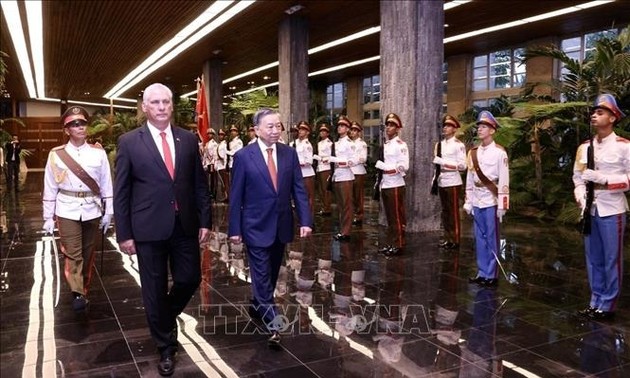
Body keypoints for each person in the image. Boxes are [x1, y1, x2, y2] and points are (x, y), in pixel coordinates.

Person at [113, 83, 211, 376]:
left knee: (190, 278)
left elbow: (199, 184)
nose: (160, 107)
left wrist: (205, 220)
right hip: (147, 228)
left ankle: (163, 317)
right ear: (144, 107)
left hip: (184, 226)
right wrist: (124, 233)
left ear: (172, 105)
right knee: (153, 289)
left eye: (165, 102)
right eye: (154, 102)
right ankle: (166, 347)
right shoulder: (129, 141)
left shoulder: (187, 139)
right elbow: (122, 192)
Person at [228, 107, 312, 347]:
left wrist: (306, 220)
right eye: (270, 126)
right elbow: (236, 197)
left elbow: (299, 189)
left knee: (273, 272)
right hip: (254, 226)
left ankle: (258, 303)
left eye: (278, 126)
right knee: (261, 273)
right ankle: (274, 323)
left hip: (282, 224)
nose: (276, 131)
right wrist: (234, 229)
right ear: (256, 130)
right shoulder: (244, 156)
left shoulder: (289, 154)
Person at [42, 105, 113, 311]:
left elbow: (106, 182)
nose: (79, 127)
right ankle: (77, 293)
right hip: (67, 209)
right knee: (73, 253)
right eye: (74, 124)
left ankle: (83, 287)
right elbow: (50, 185)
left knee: (87, 252)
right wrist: (48, 217)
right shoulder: (56, 155)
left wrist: (109, 211)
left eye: (82, 123)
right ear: (67, 130)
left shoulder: (97, 154)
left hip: (92, 208)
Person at [573, 94, 628, 321]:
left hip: (612, 207)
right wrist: (580, 195)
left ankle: (608, 304)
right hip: (590, 208)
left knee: (611, 259)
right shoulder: (584, 147)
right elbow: (577, 176)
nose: (594, 116)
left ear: (613, 118)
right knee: (592, 258)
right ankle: (595, 300)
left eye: (600, 112)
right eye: (593, 113)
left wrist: (604, 179)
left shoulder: (624, 147)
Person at [464, 110, 509, 288]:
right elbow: (469, 178)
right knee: (479, 238)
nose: (480, 130)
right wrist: (468, 200)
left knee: (491, 237)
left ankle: (491, 274)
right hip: (477, 199)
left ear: (492, 130)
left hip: (491, 200)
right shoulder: (473, 153)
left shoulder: (500, 153)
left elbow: (504, 179)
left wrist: (502, 204)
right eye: (479, 127)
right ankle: (482, 272)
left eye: (484, 127)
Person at [375, 113, 409, 256]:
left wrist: (386, 167)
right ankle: (391, 243)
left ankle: (399, 244)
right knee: (389, 217)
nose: (388, 128)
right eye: (387, 125)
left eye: (391, 125)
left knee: (396, 216)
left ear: (397, 129)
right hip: (386, 183)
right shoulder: (386, 145)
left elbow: (404, 166)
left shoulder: (401, 145)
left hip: (395, 183)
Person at [433, 115, 467, 249]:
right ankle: (448, 238)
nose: (445, 128)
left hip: (453, 180)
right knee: (445, 211)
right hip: (442, 180)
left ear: (454, 129)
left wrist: (444, 162)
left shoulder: (459, 145)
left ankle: (456, 239)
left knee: (453, 212)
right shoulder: (439, 145)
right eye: (444, 126)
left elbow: (463, 166)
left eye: (448, 126)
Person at [331, 115, 356, 241]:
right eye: (339, 125)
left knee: (347, 205)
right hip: (338, 176)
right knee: (341, 206)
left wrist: (336, 160)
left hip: (346, 176)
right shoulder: (337, 142)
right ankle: (342, 230)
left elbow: (353, 161)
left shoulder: (349, 143)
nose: (339, 128)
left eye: (342, 126)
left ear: (347, 129)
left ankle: (346, 232)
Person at [295, 121, 316, 215]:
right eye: (299, 129)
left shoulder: (307, 145)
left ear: (308, 132)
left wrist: (296, 163)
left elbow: (309, 161)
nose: (300, 131)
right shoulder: (296, 143)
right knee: (299, 197)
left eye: (303, 129)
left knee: (308, 197)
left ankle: (309, 219)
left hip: (307, 174)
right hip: (298, 174)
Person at [349, 121, 368, 226]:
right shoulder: (349, 143)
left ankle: (359, 215)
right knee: (350, 195)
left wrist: (352, 161)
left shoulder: (362, 144)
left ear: (359, 132)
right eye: (351, 130)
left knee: (358, 195)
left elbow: (363, 158)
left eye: (355, 130)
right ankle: (352, 215)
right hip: (350, 172)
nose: (352, 132)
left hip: (358, 171)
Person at [314, 123, 333, 216]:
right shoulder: (319, 143)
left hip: (326, 167)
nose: (321, 133)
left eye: (324, 131)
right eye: (321, 131)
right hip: (320, 167)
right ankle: (324, 206)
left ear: (327, 133)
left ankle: (327, 208)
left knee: (326, 189)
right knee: (321, 190)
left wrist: (320, 158)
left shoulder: (329, 143)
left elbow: (330, 156)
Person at [203, 128, 218, 199]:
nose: (209, 135)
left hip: (212, 163)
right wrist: (204, 163)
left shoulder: (214, 144)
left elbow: (215, 154)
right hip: (207, 163)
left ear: (213, 135)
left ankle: (213, 193)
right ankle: (208, 192)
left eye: (211, 134)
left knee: (212, 178)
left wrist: (213, 163)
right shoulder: (206, 143)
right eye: (208, 134)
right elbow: (205, 154)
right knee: (207, 178)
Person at [216, 128, 229, 202]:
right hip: (219, 166)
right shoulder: (219, 144)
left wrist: (225, 165)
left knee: (225, 182)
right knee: (222, 182)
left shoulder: (224, 144)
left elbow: (225, 156)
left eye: (222, 135)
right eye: (219, 135)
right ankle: (225, 196)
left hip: (223, 165)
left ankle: (227, 196)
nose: (220, 136)